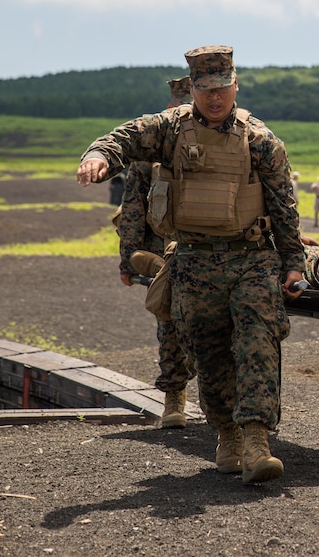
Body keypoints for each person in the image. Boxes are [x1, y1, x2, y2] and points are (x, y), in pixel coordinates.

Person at [76, 45, 305, 485]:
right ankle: (227, 435)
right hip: (195, 262)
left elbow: (284, 207)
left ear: (235, 85)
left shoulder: (261, 141)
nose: (214, 98)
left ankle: (258, 442)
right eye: (204, 89)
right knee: (210, 352)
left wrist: (293, 263)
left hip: (251, 258)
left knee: (258, 341)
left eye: (221, 88)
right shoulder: (169, 130)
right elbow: (124, 136)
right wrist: (99, 156)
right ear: (193, 89)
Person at [114, 77, 196, 429]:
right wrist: (129, 259)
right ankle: (174, 399)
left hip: (210, 251)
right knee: (169, 324)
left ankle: (215, 403)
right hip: (164, 254)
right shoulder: (150, 155)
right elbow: (132, 207)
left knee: (213, 328)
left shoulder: (228, 143)